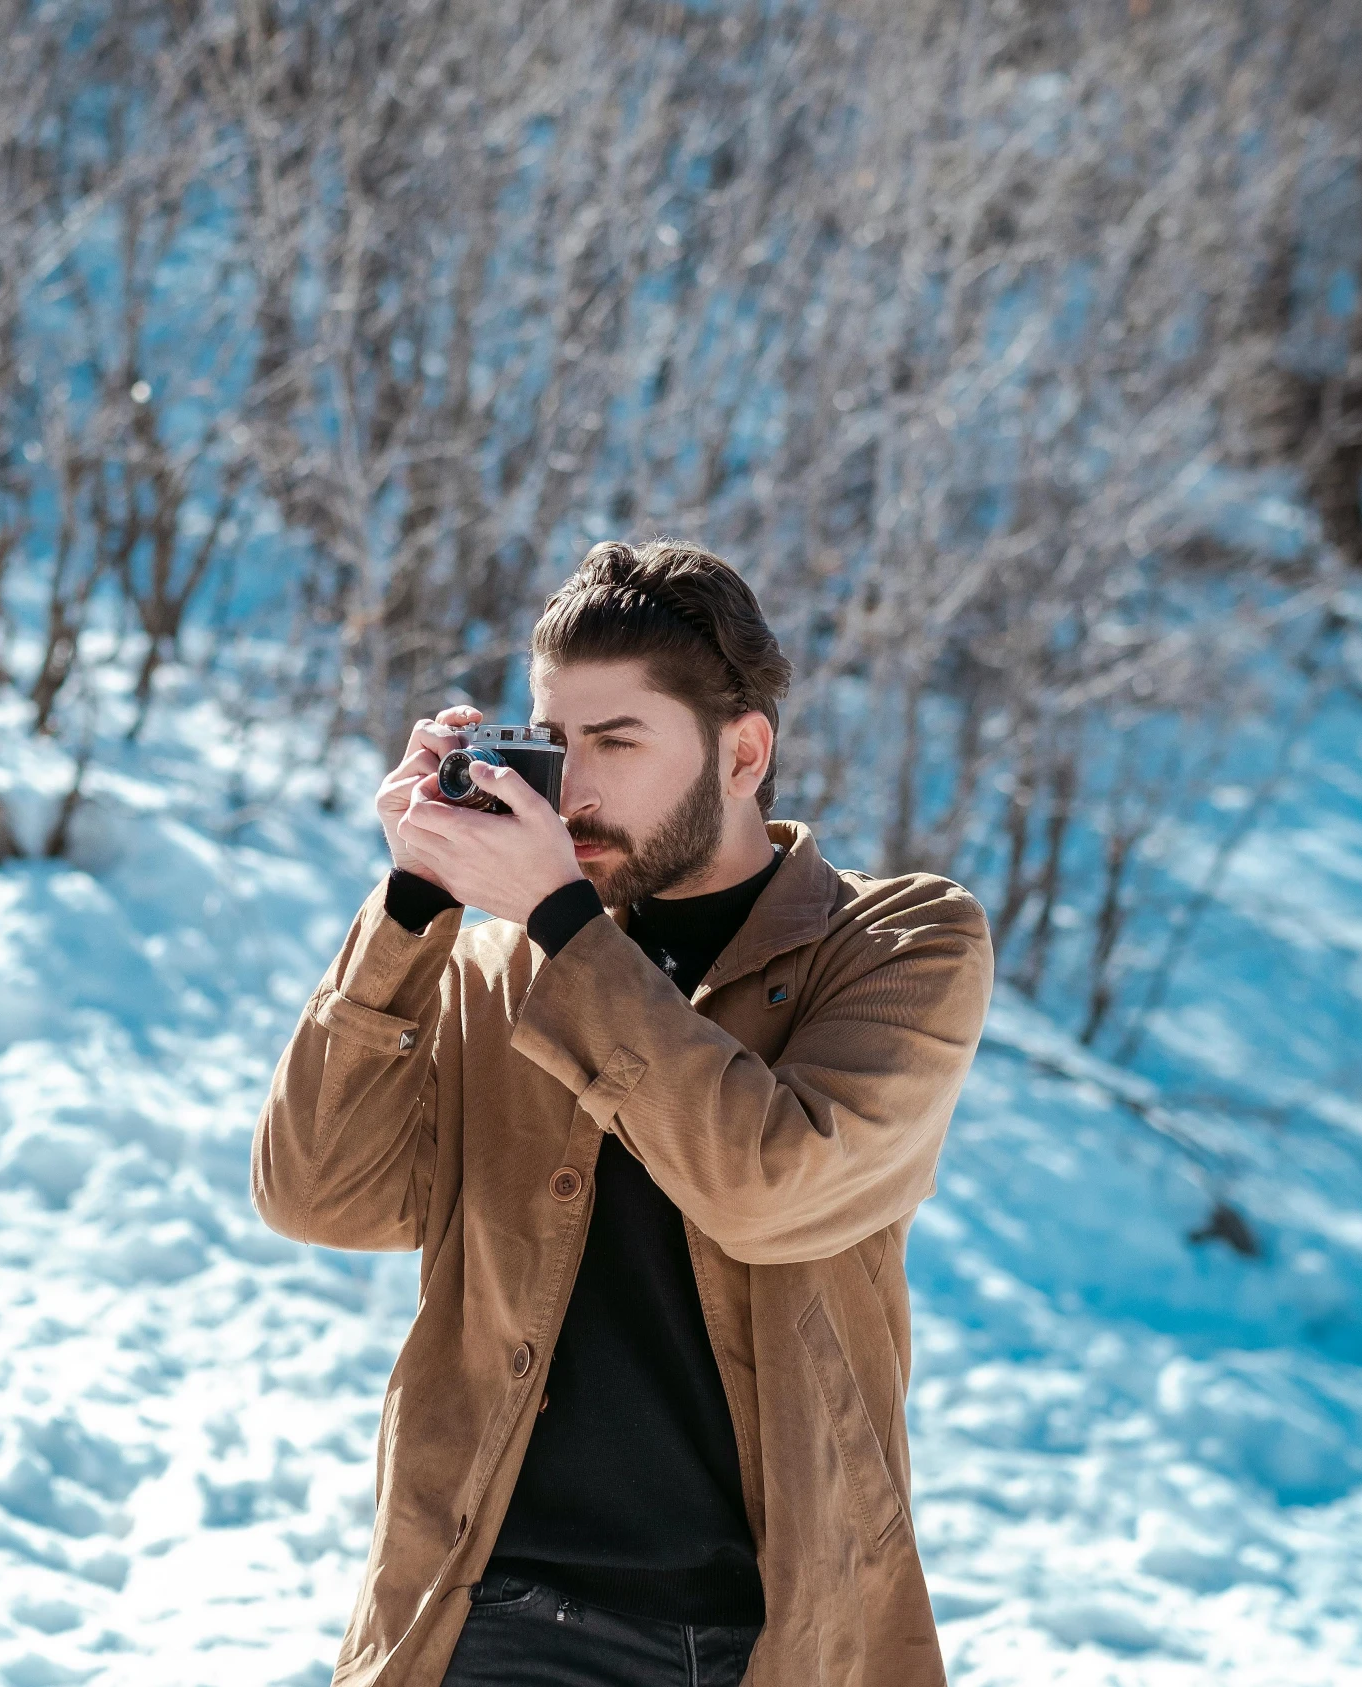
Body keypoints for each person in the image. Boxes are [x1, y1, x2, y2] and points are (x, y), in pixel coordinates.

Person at [252, 539, 995, 1687]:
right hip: (492, 1612)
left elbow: (771, 1188)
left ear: (743, 751)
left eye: (616, 740)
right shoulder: (502, 960)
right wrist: (408, 906)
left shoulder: (900, 943)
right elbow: (319, 1194)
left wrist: (561, 924)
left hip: (779, 1635)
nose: (573, 787)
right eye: (555, 741)